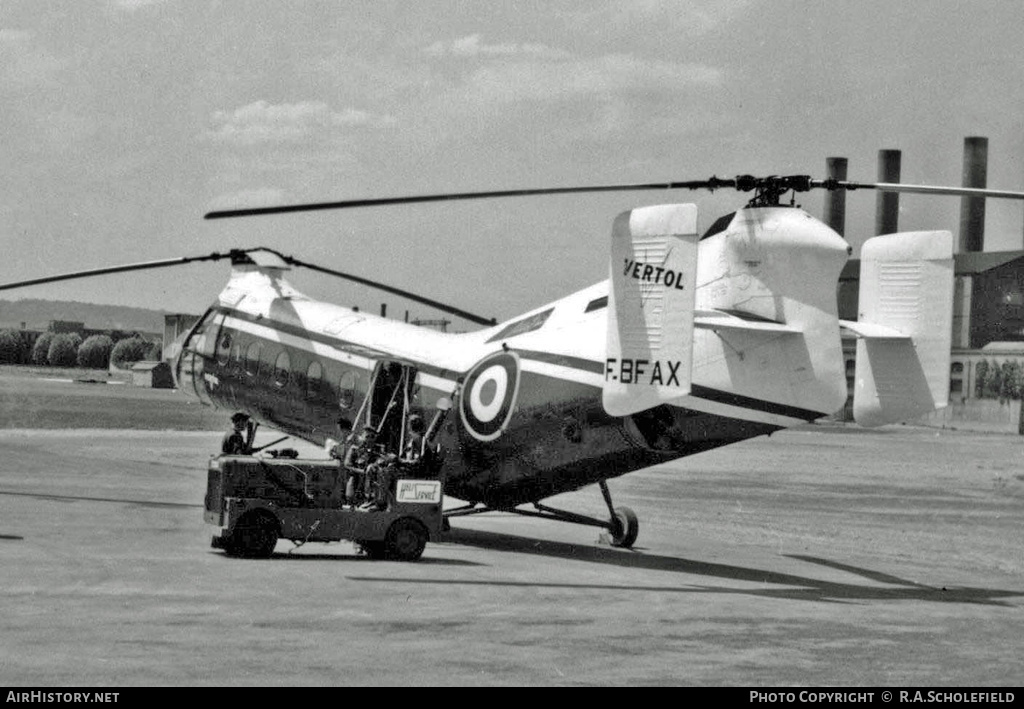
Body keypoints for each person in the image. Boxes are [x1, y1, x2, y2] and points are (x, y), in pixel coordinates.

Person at [342, 425, 379, 506]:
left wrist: (373, 467)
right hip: (357, 477)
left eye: (372, 437)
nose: (369, 439)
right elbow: (347, 464)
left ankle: (369, 500)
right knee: (352, 481)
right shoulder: (355, 449)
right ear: (362, 437)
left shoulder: (377, 450)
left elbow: (381, 462)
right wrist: (361, 471)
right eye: (367, 436)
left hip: (371, 479)